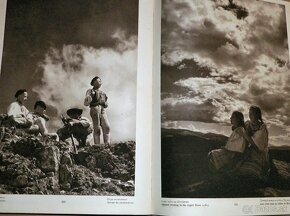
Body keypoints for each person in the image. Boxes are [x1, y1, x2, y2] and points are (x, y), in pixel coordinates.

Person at [234, 105, 269, 181]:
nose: (250, 116)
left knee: (250, 168)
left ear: (257, 115)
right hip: (247, 148)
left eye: (252, 114)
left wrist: (244, 134)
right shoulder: (247, 124)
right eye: (249, 113)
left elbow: (257, 145)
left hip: (258, 151)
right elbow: (240, 130)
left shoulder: (262, 127)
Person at [84, 76, 110, 144]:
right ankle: (97, 145)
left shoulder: (103, 93)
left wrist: (105, 103)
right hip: (95, 108)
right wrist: (89, 97)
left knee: (107, 127)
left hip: (102, 109)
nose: (100, 82)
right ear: (94, 82)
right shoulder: (90, 91)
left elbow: (106, 103)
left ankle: (107, 144)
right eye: (99, 81)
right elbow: (87, 100)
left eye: (101, 81)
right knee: (97, 128)